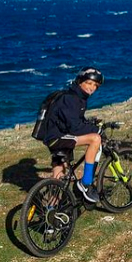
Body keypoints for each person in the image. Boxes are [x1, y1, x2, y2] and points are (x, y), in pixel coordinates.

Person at [43, 66, 104, 202]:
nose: (92, 87)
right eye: (89, 83)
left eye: (95, 85)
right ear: (80, 81)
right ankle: (85, 183)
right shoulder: (72, 99)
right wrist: (96, 129)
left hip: (53, 137)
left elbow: (72, 119)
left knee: (60, 168)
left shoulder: (75, 95)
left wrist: (88, 123)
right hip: (58, 137)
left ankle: (52, 207)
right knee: (95, 139)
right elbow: (75, 128)